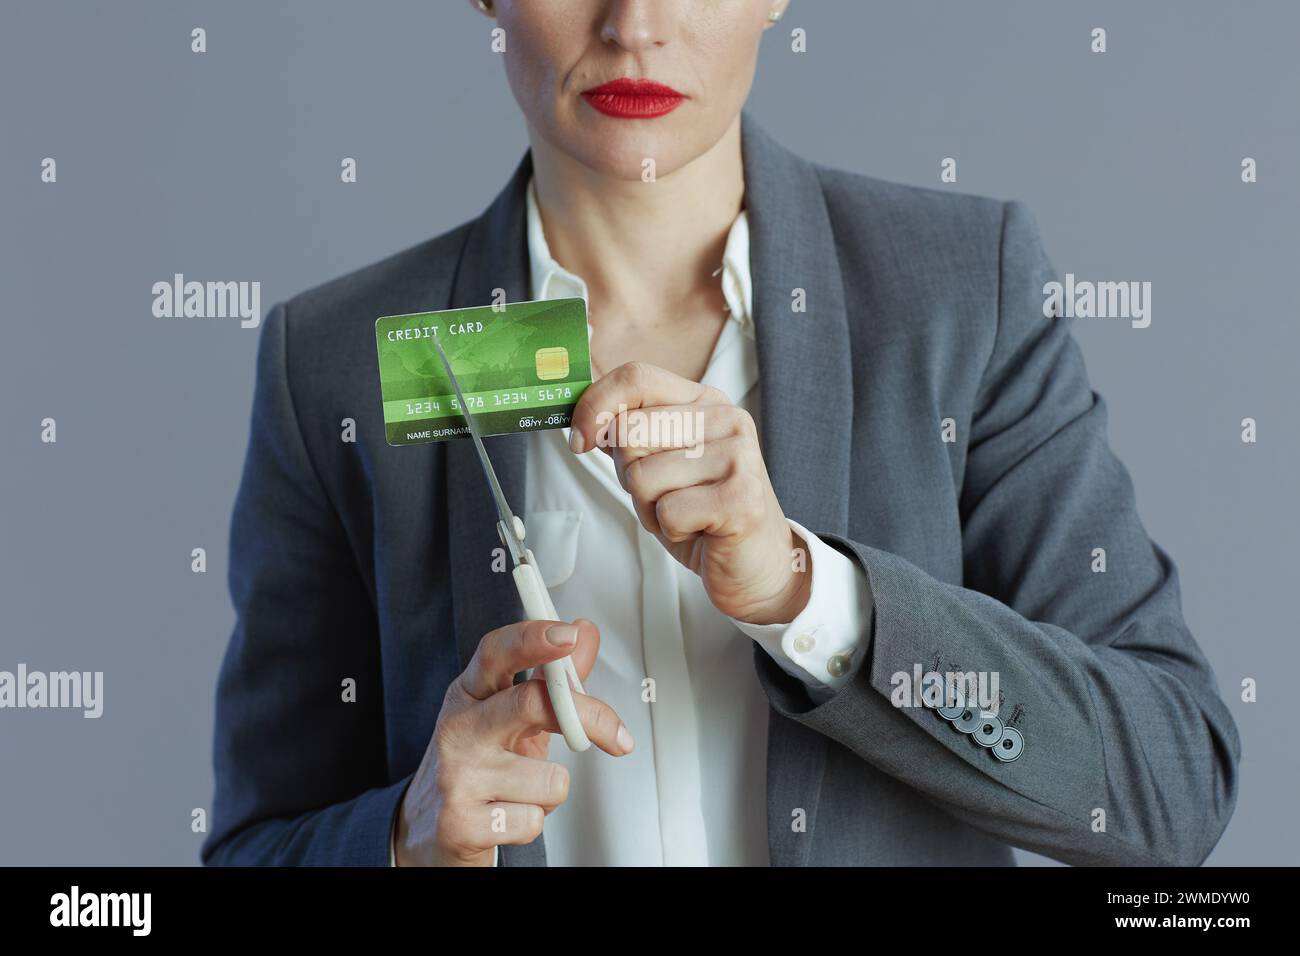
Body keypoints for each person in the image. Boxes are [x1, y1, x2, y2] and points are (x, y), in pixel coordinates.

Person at [203, 0, 1240, 867]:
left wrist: (807, 592)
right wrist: (398, 835)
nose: (634, 24)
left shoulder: (963, 293)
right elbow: (253, 845)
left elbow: (1169, 780)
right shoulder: (335, 359)